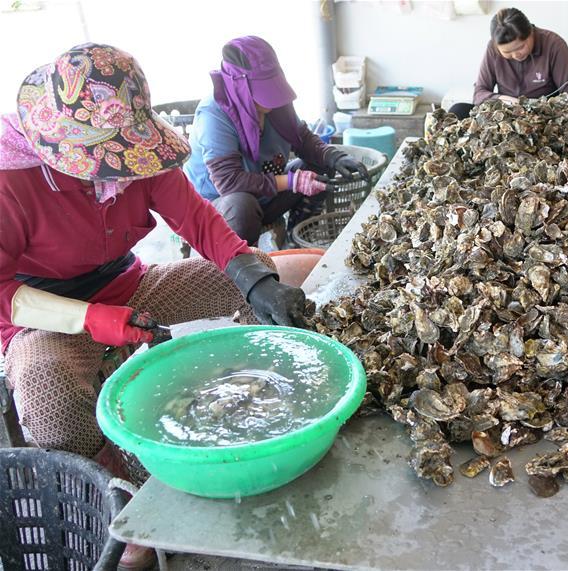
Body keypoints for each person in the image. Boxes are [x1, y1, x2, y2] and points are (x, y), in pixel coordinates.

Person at [0, 44, 310, 568]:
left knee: (272, 273)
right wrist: (93, 320)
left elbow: (197, 219)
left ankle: (262, 414)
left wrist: (255, 279)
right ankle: (116, 494)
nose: (114, 170)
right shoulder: (13, 180)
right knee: (46, 391)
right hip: (41, 313)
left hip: (128, 286)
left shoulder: (135, 156)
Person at [185, 36, 368, 246]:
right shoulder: (214, 114)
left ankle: (296, 242)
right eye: (262, 91)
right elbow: (229, 182)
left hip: (266, 193)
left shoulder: (276, 105)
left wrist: (334, 156)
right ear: (239, 87)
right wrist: (293, 181)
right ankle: (246, 270)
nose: (271, 100)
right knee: (241, 204)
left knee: (320, 166)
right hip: (222, 210)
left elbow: (304, 140)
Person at [448, 7, 568, 119]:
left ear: (530, 32)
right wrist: (501, 99)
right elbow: (479, 93)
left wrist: (543, 110)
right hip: (505, 115)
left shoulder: (553, 44)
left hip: (544, 117)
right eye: (507, 52)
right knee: (457, 110)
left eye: (520, 47)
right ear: (497, 47)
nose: (516, 55)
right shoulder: (492, 48)